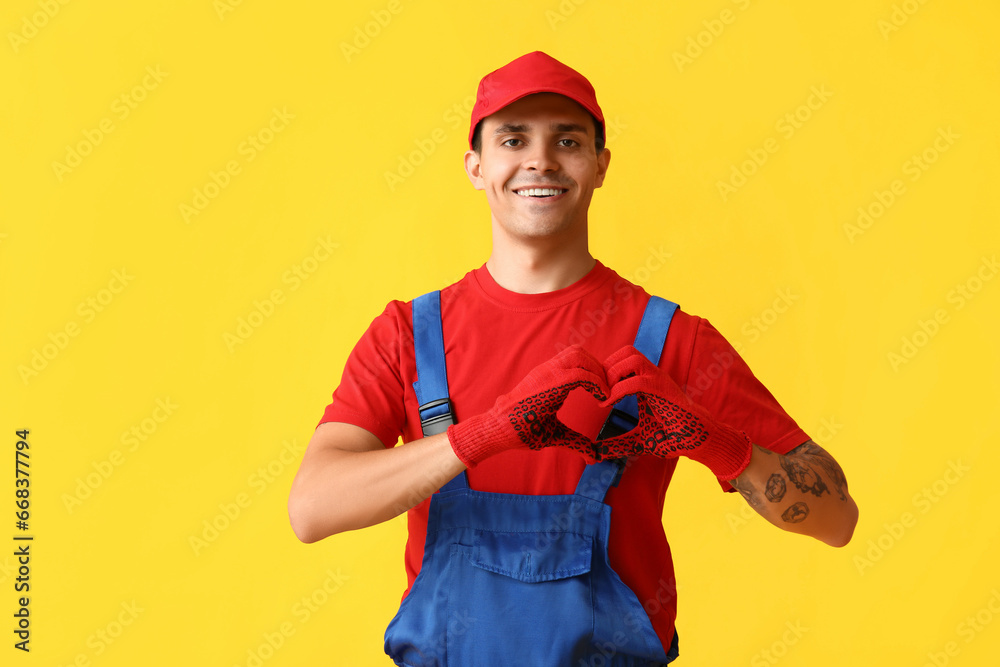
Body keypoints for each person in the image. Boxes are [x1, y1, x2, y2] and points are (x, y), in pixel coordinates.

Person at [288, 51, 859, 665]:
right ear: (476, 167)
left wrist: (713, 441)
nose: (540, 159)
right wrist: (486, 433)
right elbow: (312, 508)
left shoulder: (671, 339)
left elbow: (835, 521)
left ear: (599, 165)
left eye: (567, 139)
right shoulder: (408, 334)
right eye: (513, 139)